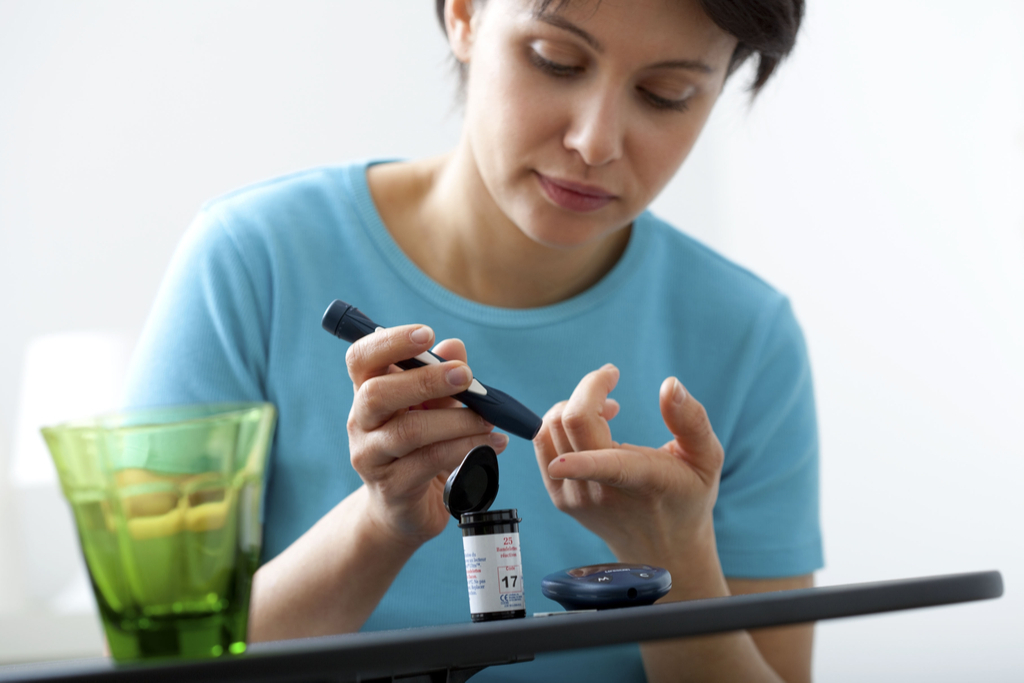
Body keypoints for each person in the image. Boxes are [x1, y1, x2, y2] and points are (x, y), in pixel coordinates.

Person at [125, 0, 822, 680]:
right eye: (555, 60)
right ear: (463, 15)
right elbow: (158, 659)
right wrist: (380, 523)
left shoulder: (748, 339)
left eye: (666, 94)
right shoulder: (253, 263)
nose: (595, 141)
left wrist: (679, 557)